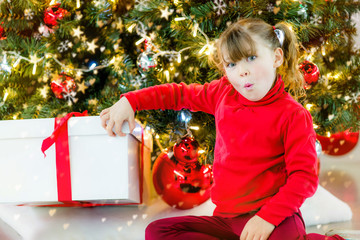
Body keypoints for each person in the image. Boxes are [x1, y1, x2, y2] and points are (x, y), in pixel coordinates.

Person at [100, 18, 345, 240]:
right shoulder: (223, 93)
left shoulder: (293, 115)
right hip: (227, 220)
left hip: (273, 219)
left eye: (251, 58)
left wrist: (267, 218)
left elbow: (303, 178)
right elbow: (178, 93)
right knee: (157, 232)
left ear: (277, 57)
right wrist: (131, 100)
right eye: (232, 64)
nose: (242, 71)